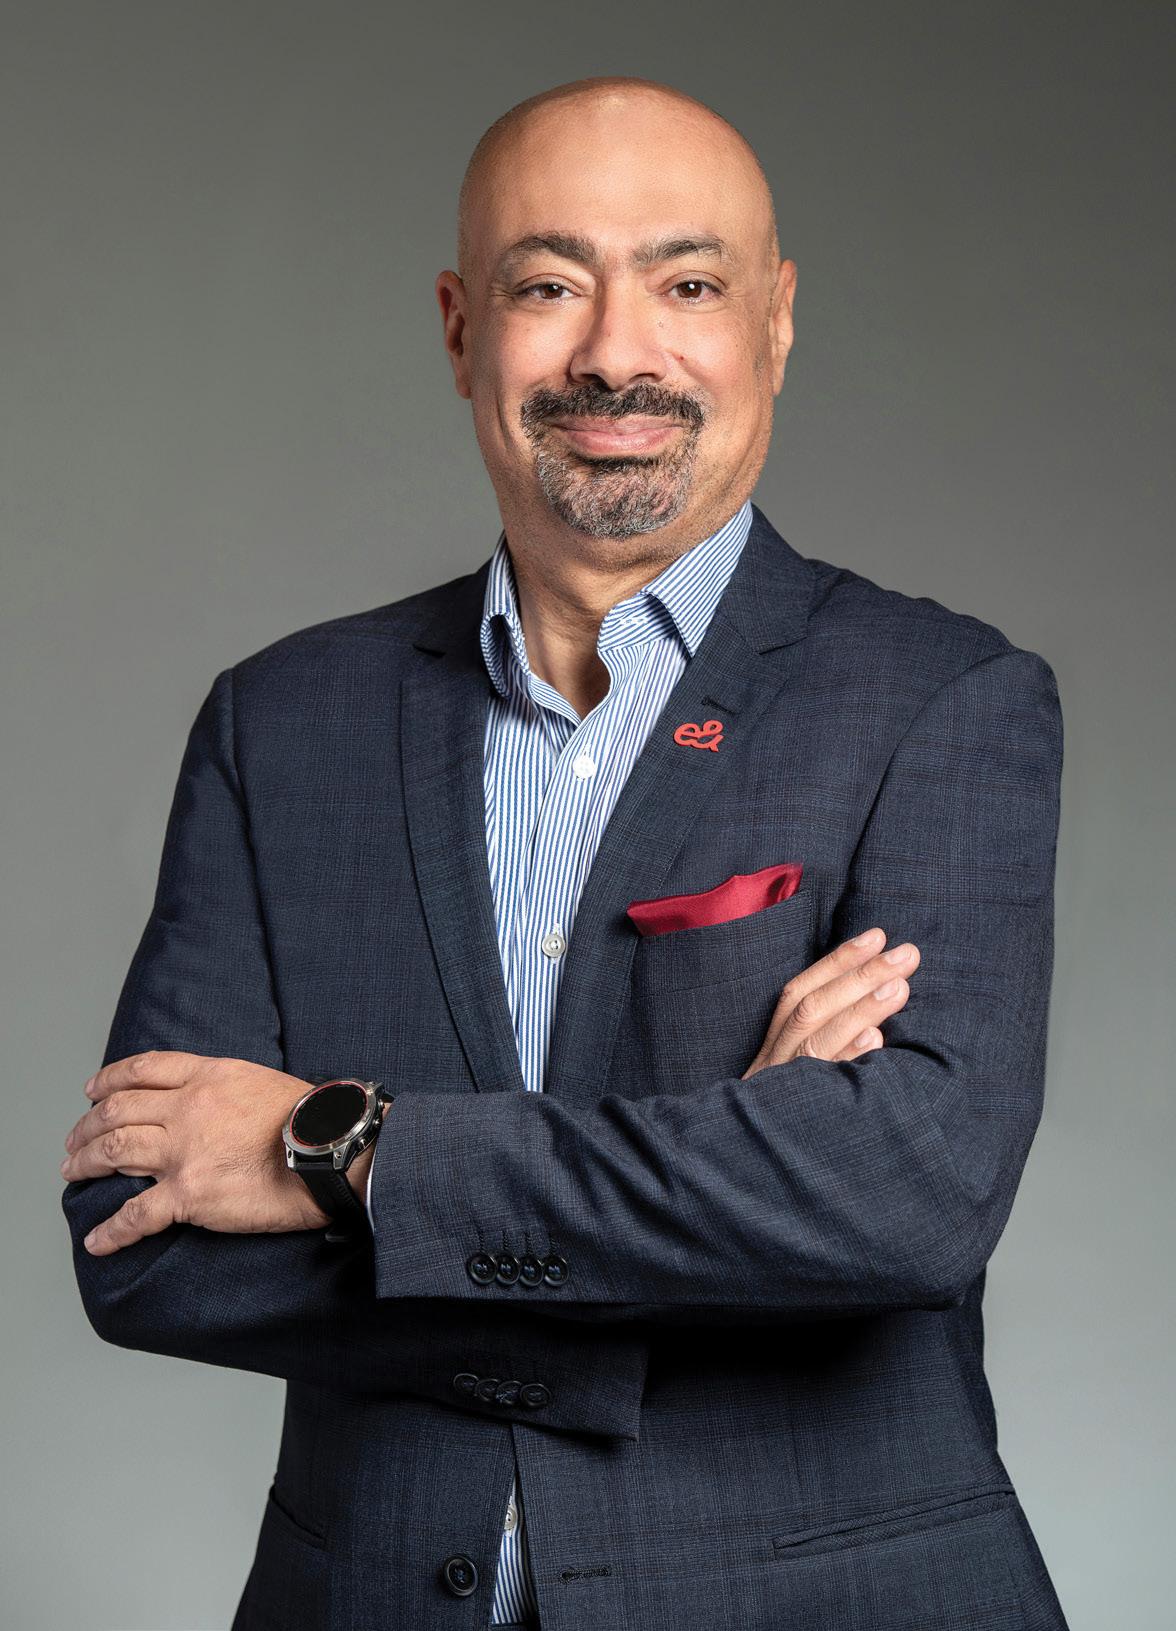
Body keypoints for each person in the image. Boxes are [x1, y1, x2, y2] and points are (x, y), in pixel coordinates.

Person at [61, 75, 1071, 1631]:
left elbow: (904, 1201)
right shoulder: (284, 722)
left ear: (776, 321)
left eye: (687, 285)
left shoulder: (943, 701)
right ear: (460, 325)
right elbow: (143, 1245)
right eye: (548, 285)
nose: (615, 351)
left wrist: (344, 1157)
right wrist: (729, 1181)